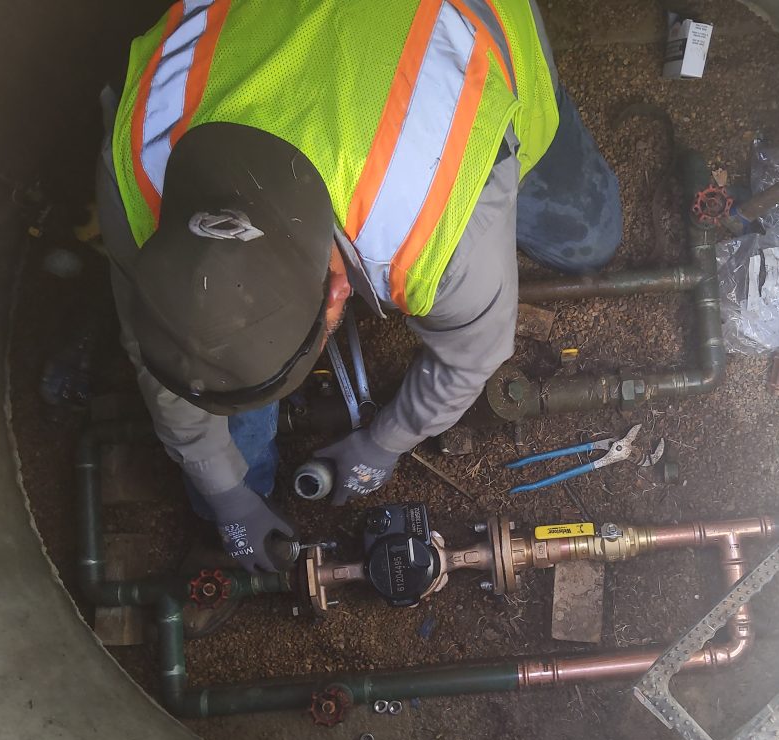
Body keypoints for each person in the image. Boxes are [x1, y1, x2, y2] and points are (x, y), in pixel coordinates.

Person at [96, 0, 622, 573]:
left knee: (592, 238)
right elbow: (156, 349)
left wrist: (388, 440)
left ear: (337, 295)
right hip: (270, 39)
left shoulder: (438, 232)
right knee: (229, 395)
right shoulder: (134, 182)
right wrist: (224, 491)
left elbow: (475, 355)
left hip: (464, 31)